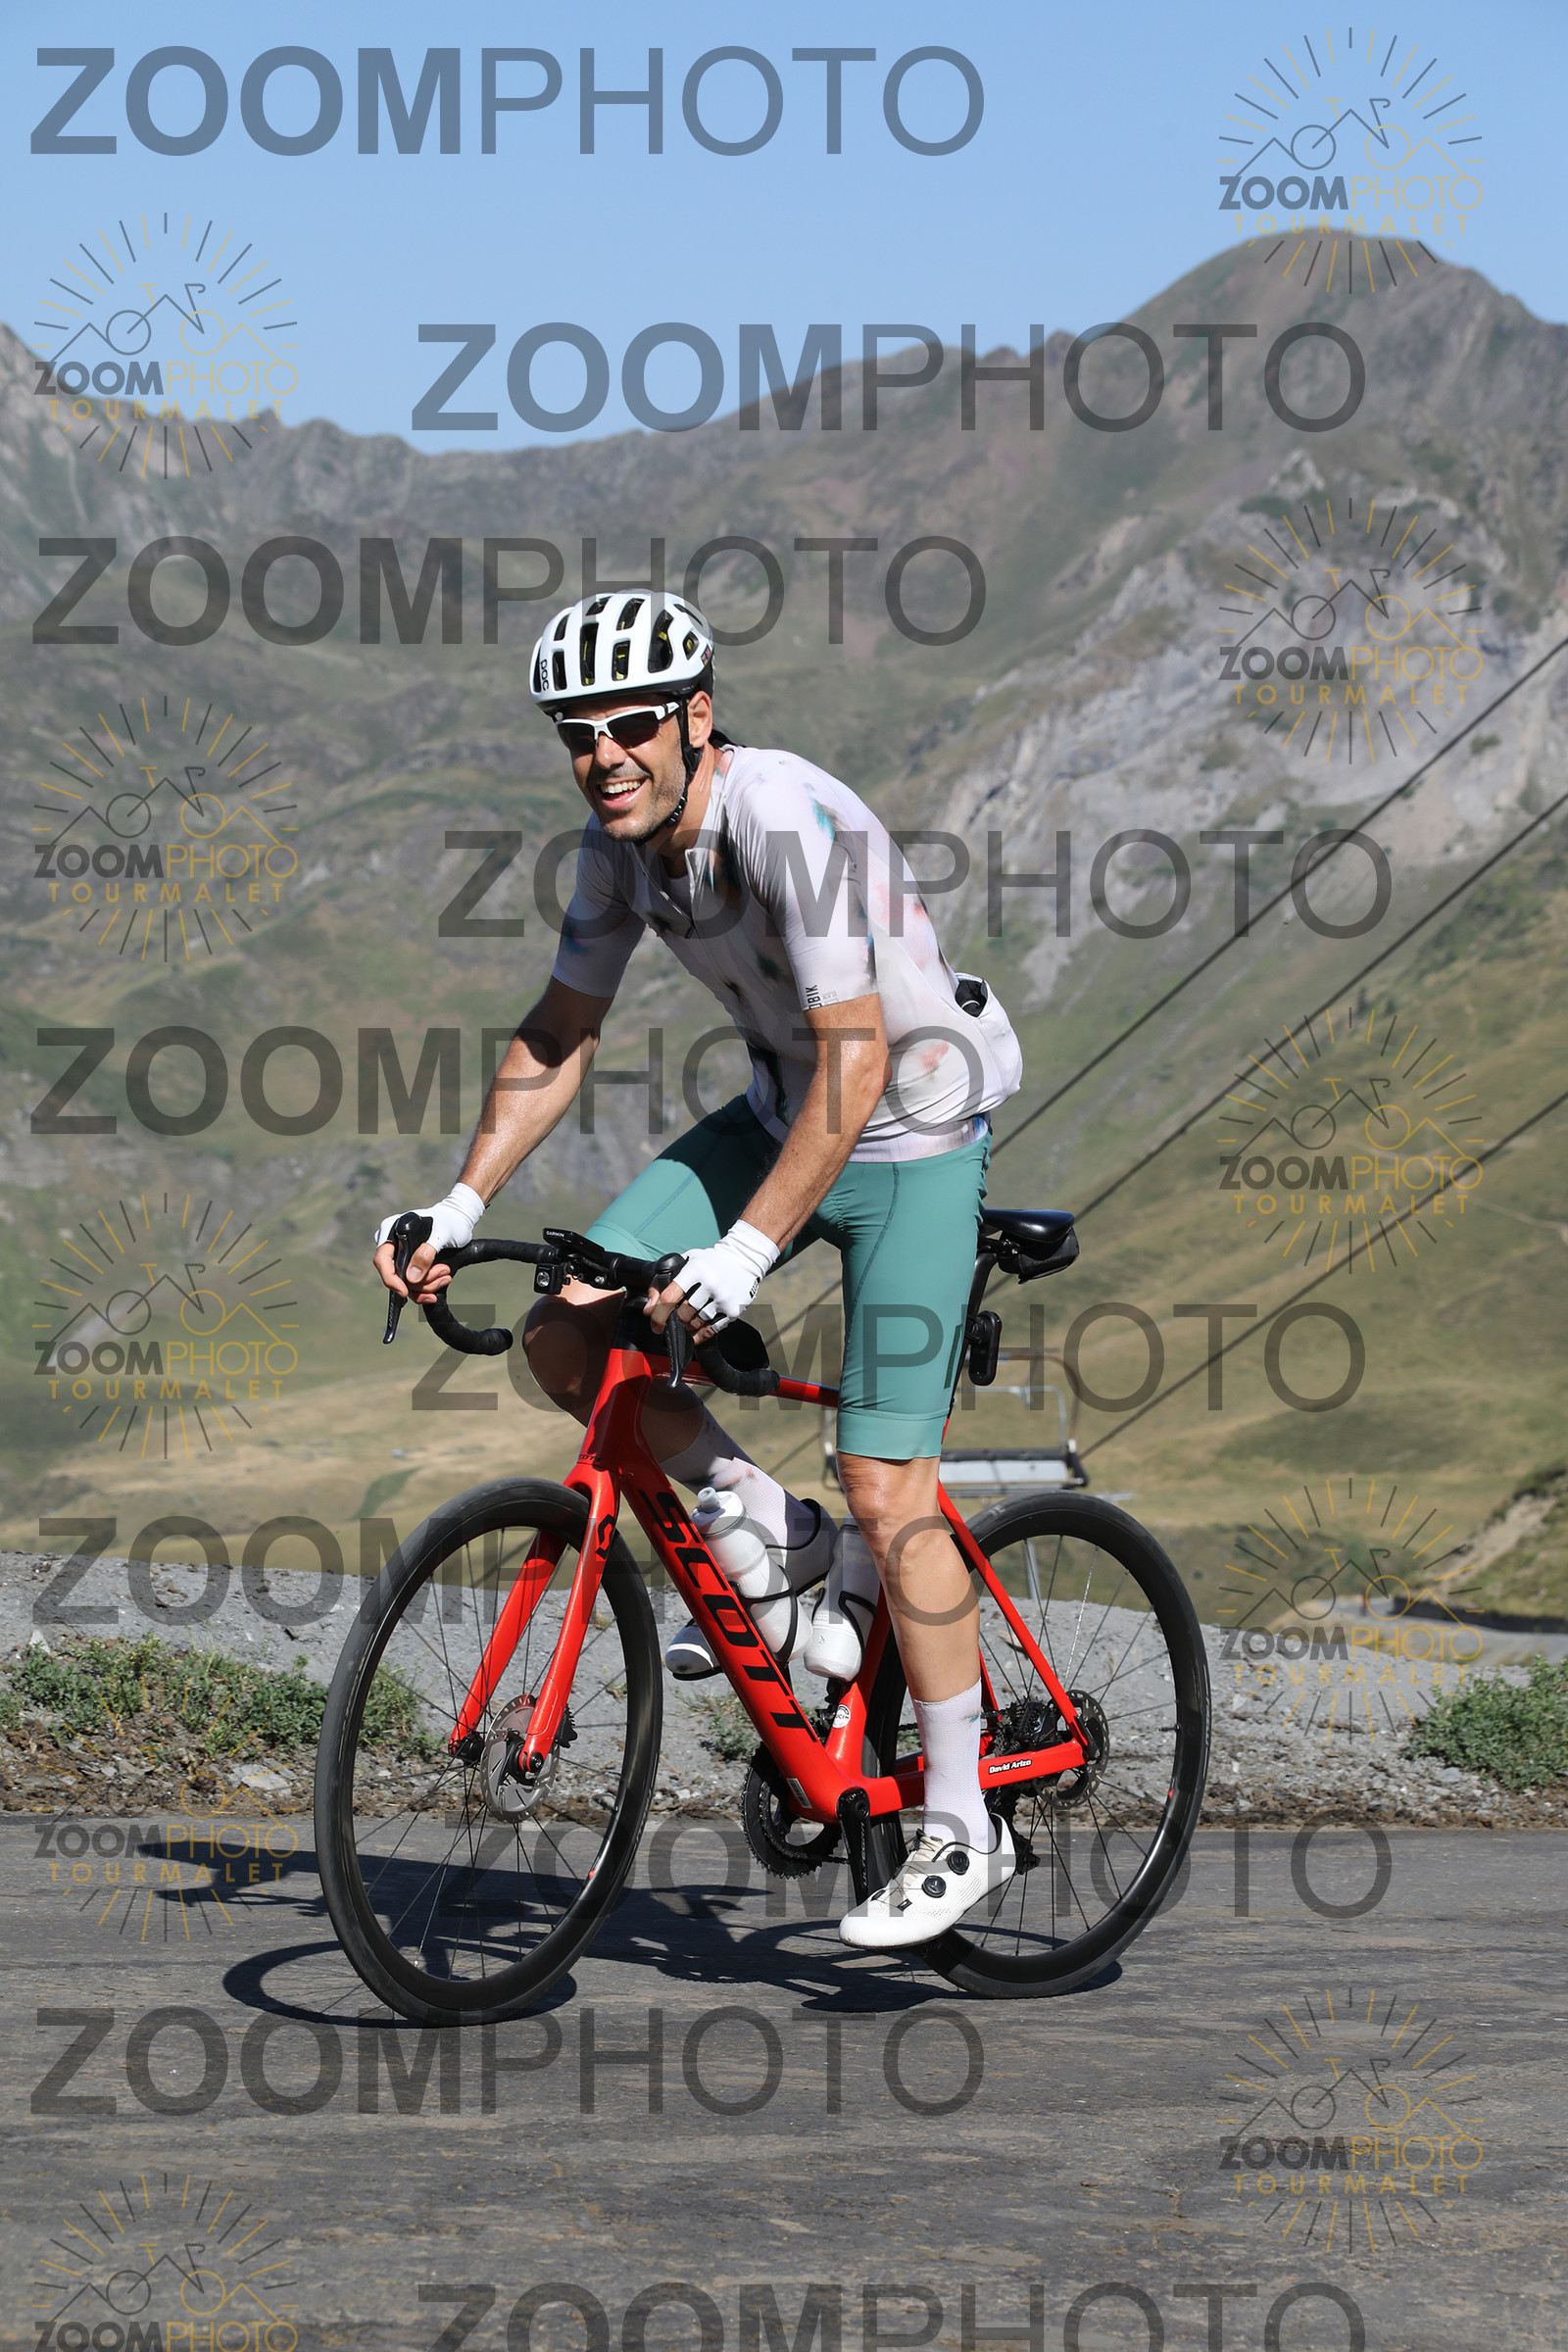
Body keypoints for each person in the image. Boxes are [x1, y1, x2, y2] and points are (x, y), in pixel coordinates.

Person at [373, 591, 1024, 1947]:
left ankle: (967, 1823)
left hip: (911, 1124)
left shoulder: (781, 819)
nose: (601, 756)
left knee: (884, 1477)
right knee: (570, 1333)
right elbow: (561, 1030)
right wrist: (457, 1203)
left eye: (628, 726)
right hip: (788, 1110)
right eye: (576, 734)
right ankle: (771, 1541)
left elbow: (858, 1057)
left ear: (697, 718)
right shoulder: (616, 854)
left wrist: (745, 1250)